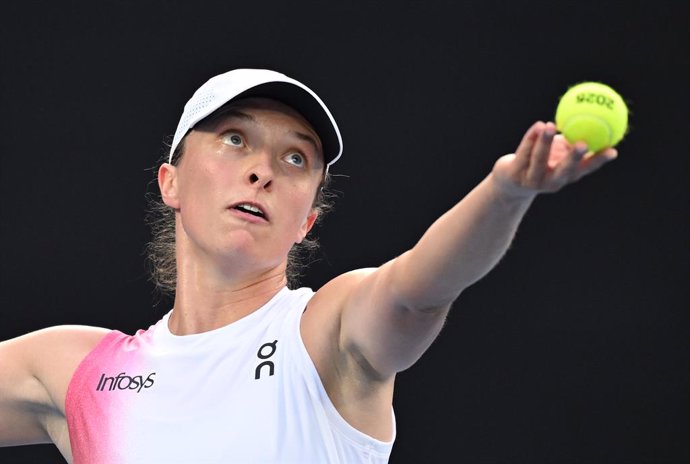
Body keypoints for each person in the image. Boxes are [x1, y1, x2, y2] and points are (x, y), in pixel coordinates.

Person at [0, 68, 617, 463]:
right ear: (171, 181)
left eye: (296, 159)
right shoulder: (76, 371)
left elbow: (418, 290)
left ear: (306, 222)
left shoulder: (326, 335)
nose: (262, 170)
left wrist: (505, 193)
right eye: (235, 139)